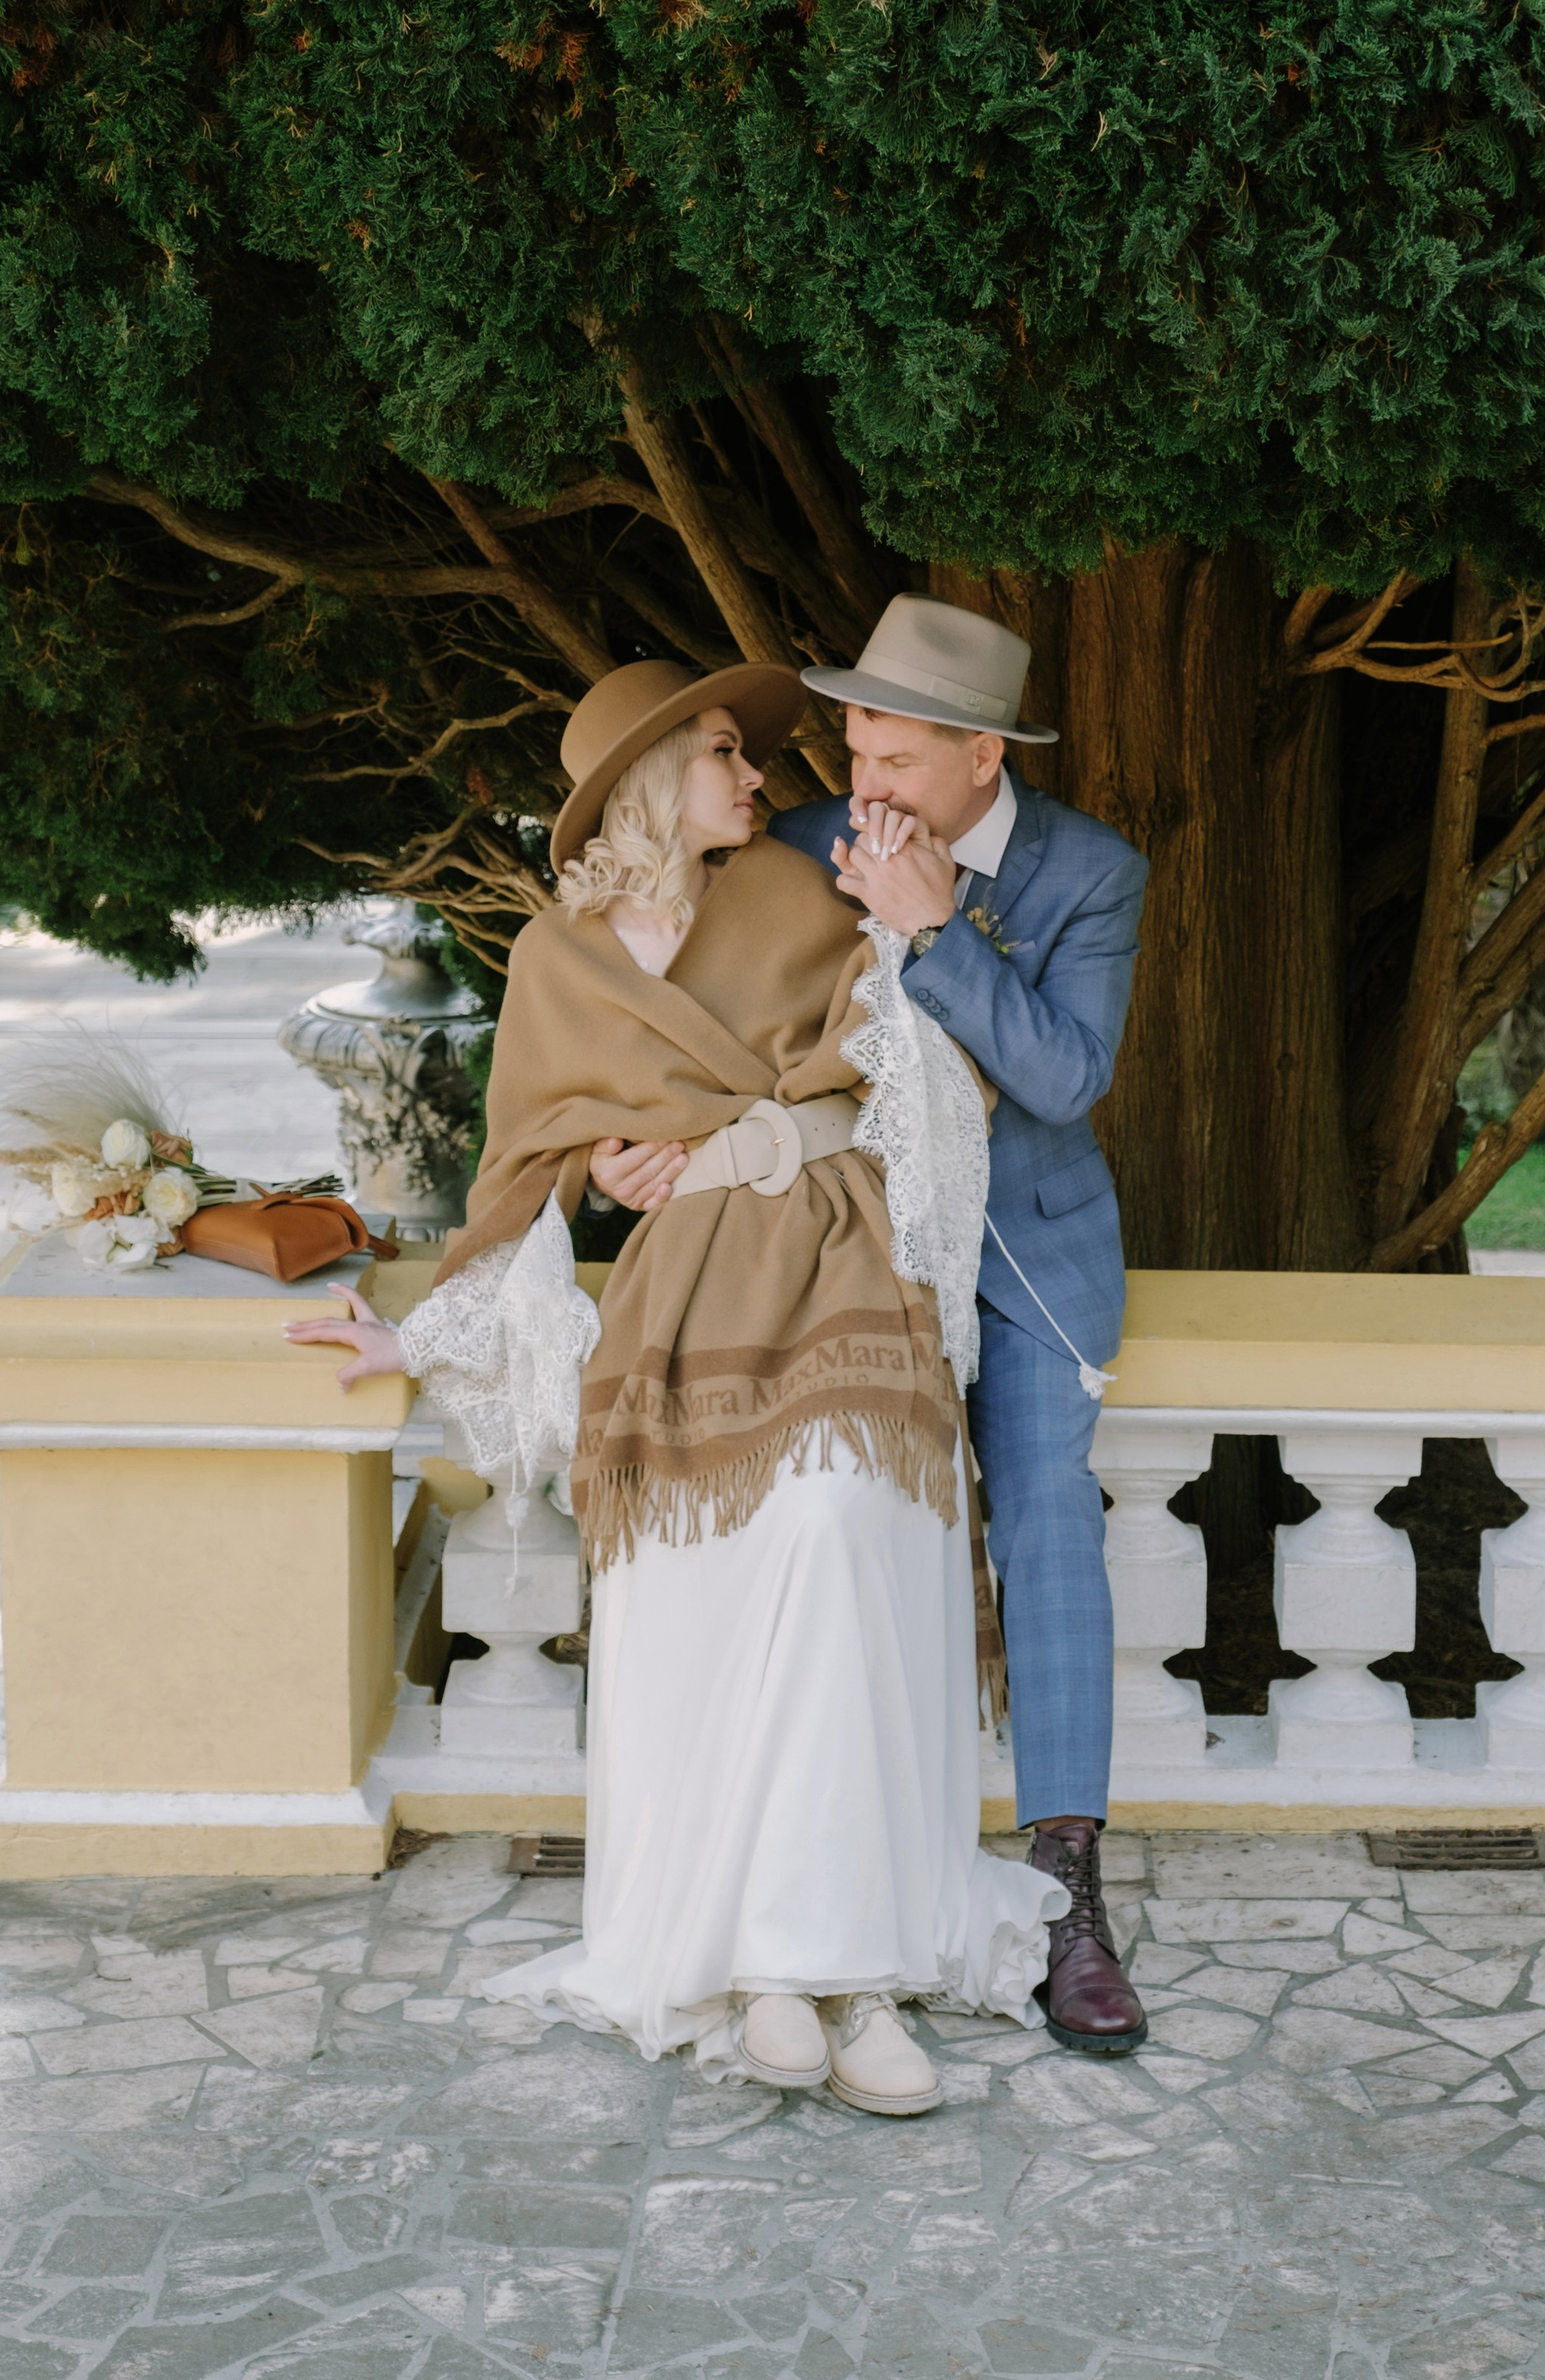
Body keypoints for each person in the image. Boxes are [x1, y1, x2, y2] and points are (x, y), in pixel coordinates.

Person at [286, 658, 1062, 2114]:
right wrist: (428, 1328)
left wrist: (905, 949)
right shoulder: (556, 963)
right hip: (684, 1301)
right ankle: (770, 1968)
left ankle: (852, 1970)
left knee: (839, 1528)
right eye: (722, 752)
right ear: (647, 780)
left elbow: (933, 1076)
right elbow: (520, 1177)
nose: (757, 775)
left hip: (840, 1255)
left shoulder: (804, 890)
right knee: (706, 1587)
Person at [763, 595, 1152, 2054]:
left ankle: (1069, 1900)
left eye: (899, 760)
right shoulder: (802, 848)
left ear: (985, 758)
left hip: (1032, 1253)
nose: (865, 786)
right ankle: (841, 1875)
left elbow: (1066, 1077)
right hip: (854, 1253)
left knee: (1049, 1509)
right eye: (858, 749)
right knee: (846, 1518)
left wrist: (935, 929)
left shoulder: (1091, 873)